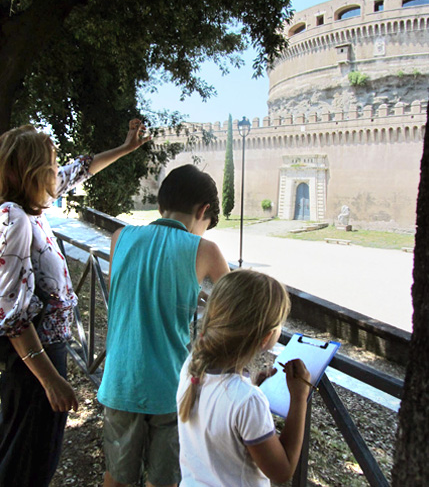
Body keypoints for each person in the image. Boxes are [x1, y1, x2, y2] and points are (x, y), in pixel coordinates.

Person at [0, 119, 150, 487]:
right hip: (34, 361)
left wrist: (125, 148)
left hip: (46, 352)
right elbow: (12, 315)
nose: (58, 172)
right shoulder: (14, 217)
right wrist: (51, 381)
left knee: (31, 453)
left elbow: (78, 171)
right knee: (27, 463)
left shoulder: (30, 208)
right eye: (51, 166)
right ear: (29, 172)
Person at [97, 164, 230, 487]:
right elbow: (239, 307)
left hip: (121, 380)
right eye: (205, 226)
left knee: (116, 477)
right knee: (165, 480)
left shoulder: (120, 237)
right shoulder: (206, 250)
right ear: (203, 210)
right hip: (171, 387)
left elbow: (130, 291)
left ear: (160, 205)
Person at [177, 268, 311, 486]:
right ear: (266, 337)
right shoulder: (248, 402)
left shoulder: (193, 365)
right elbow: (282, 471)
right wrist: (299, 397)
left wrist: (251, 384)